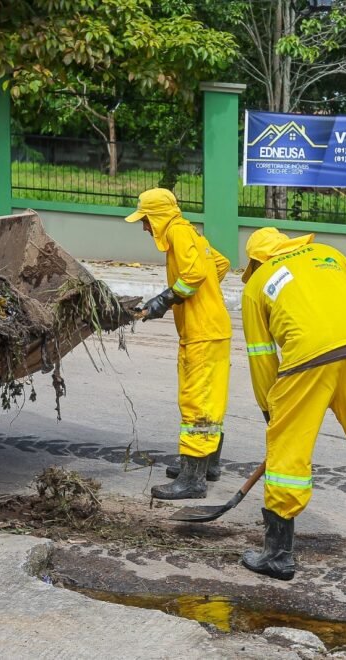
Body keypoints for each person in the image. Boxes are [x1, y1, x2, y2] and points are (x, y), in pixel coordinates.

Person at [238, 227, 346, 581]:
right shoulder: (331, 256)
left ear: (256, 261)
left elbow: (261, 356)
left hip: (306, 362)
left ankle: (278, 555)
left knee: (288, 455)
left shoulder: (256, 285)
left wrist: (271, 411)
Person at [125, 188, 232, 499]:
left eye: (145, 220)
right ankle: (207, 465)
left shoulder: (176, 233)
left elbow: (195, 273)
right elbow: (220, 264)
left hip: (202, 332)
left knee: (196, 401)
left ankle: (192, 480)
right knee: (210, 398)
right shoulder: (190, 232)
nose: (145, 228)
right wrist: (205, 296)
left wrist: (164, 299)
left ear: (157, 217)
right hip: (212, 329)